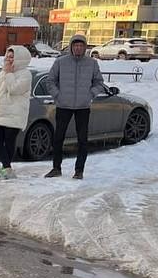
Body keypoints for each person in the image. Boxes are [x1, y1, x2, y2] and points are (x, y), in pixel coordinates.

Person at [42, 33, 111, 180]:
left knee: (82, 140)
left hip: (83, 107)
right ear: (71, 47)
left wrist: (90, 95)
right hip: (63, 105)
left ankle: (79, 170)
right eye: (75, 45)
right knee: (58, 138)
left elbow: (99, 82)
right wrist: (58, 96)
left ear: (84, 47)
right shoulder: (61, 62)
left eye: (81, 45)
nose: (78, 48)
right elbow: (50, 81)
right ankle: (56, 168)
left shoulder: (92, 63)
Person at [0, 46, 32, 180]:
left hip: (14, 113)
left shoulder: (25, 74)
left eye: (12, 57)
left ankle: (7, 168)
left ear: (19, 59)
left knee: (8, 141)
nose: (8, 59)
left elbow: (14, 89)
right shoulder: (3, 72)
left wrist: (9, 74)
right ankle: (7, 168)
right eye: (7, 56)